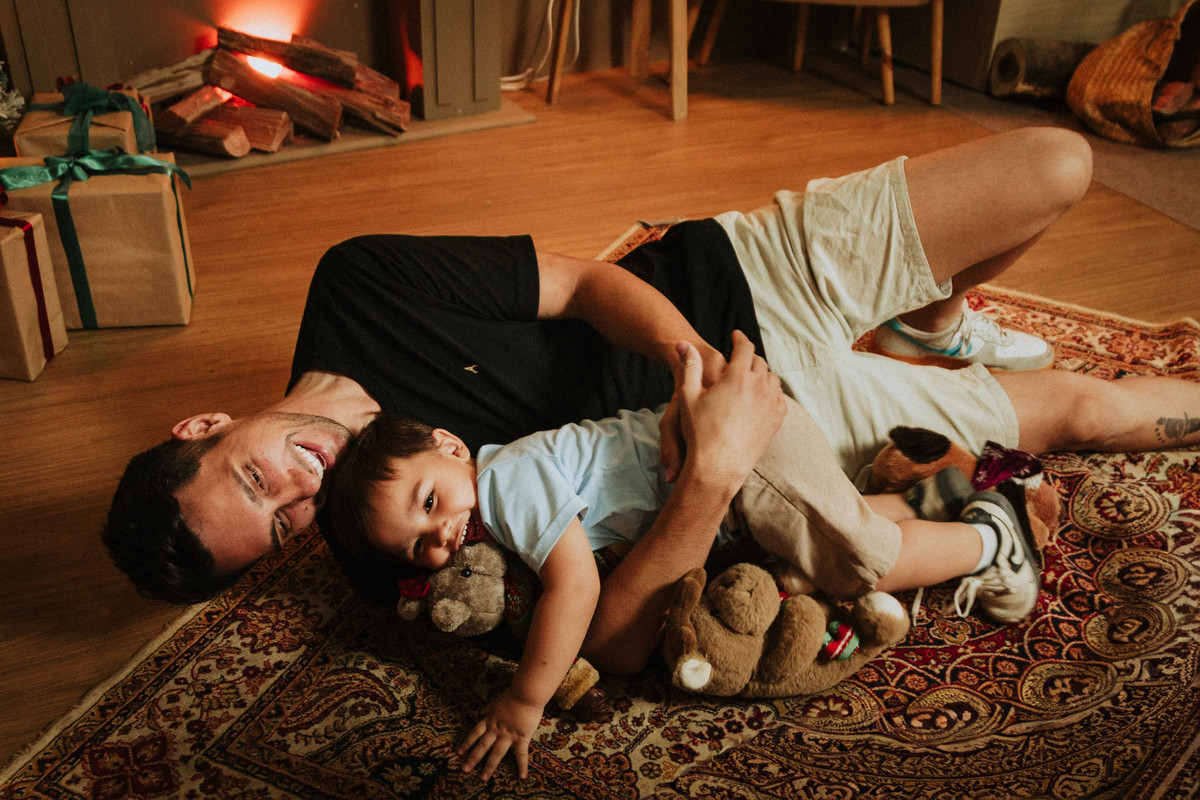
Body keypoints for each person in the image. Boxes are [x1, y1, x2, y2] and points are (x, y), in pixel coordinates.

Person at [102, 127, 1200, 677]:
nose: (303, 492)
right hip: (786, 431)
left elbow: (586, 283)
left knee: (1060, 163)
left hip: (737, 281)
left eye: (257, 476)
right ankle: (921, 381)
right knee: (1086, 414)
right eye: (282, 527)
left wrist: (697, 372)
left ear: (203, 426)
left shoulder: (359, 284)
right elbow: (614, 638)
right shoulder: (389, 539)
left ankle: (934, 321)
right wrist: (716, 465)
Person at [326, 390, 1041, 780]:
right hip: (731, 482)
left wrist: (524, 700)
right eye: (418, 545)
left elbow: (574, 588)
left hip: (745, 456)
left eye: (430, 502)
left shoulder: (506, 484)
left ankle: (992, 539)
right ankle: (935, 497)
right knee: (821, 533)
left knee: (854, 562)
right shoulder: (494, 501)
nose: (442, 535)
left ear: (451, 447)